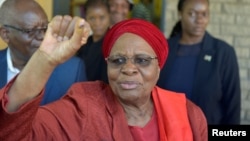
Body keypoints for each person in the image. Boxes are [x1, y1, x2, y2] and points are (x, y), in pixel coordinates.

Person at [0, 16, 207, 140]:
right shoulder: (84, 107)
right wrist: (44, 60)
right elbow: (12, 132)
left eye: (142, 60)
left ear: (158, 67)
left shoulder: (188, 114)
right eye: (117, 60)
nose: (128, 69)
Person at [157, 0, 241, 125]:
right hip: (167, 132)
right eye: (192, 13)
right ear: (180, 14)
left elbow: (232, 105)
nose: (199, 19)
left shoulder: (223, 52)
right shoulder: (164, 49)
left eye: (204, 14)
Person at [0, 0, 87, 105]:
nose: (42, 36)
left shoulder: (72, 71)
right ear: (5, 34)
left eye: (45, 29)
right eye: (30, 31)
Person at [77, 0, 110, 83]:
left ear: (109, 17)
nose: (97, 23)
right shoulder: (84, 43)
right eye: (92, 18)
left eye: (102, 17)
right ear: (86, 18)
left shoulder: (113, 44)